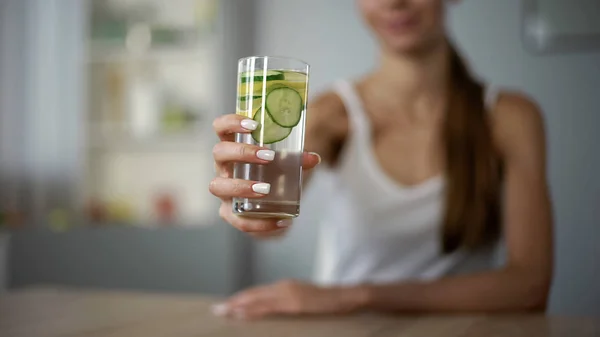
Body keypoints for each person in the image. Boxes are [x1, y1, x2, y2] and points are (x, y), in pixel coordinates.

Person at [209, 0, 553, 320]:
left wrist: (356, 296)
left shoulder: (509, 118)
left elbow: (530, 286)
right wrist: (246, 201)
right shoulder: (331, 114)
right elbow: (271, 224)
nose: (393, 2)